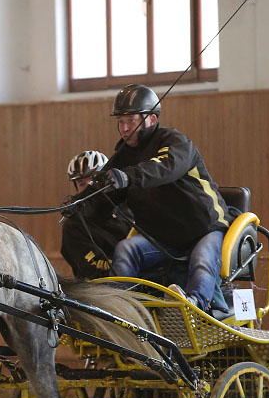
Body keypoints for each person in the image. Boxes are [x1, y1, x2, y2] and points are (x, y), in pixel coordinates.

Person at [89, 84, 232, 311]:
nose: (124, 129)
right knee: (126, 248)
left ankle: (193, 307)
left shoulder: (176, 143)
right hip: (164, 240)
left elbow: (164, 168)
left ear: (152, 120)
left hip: (205, 230)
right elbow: (102, 193)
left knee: (203, 259)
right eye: (120, 122)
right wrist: (80, 205)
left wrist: (127, 176)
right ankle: (119, 308)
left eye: (131, 121)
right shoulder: (124, 155)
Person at [59, 150, 131, 279]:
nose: (88, 189)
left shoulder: (127, 205)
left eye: (94, 181)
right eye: (82, 184)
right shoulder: (74, 227)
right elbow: (94, 272)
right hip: (104, 290)